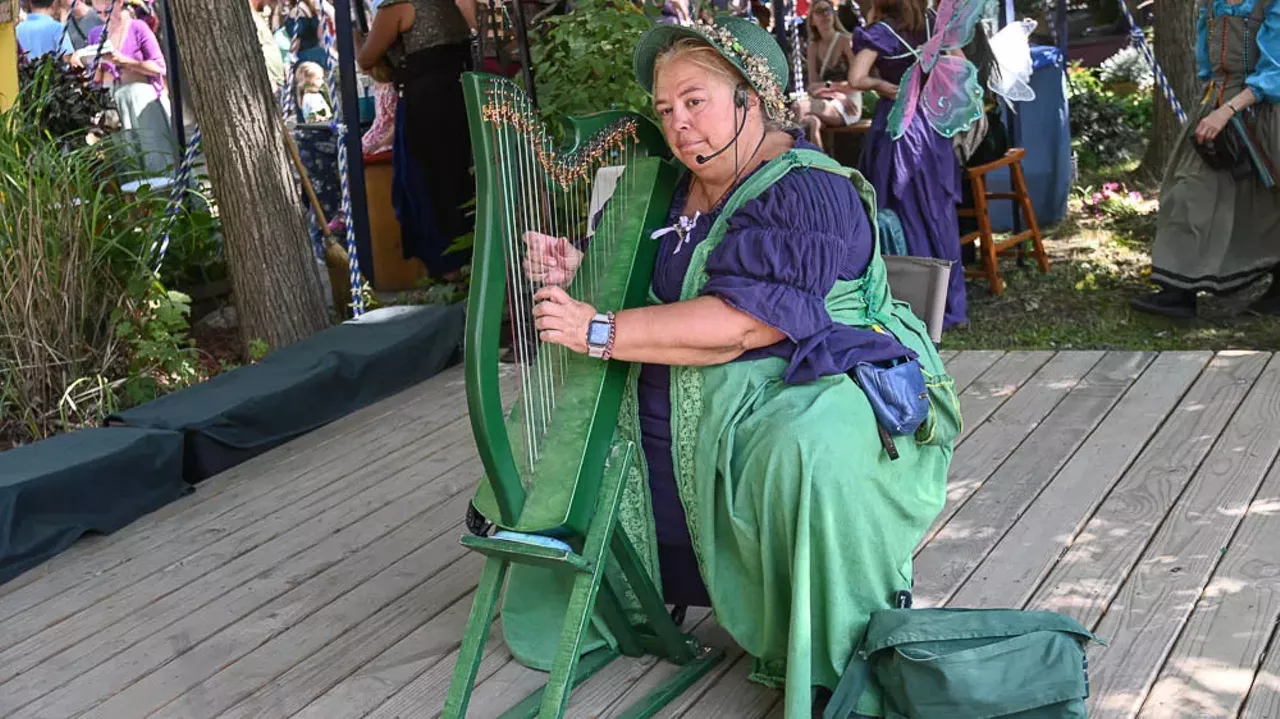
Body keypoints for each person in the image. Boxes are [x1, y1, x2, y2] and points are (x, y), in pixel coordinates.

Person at [510, 16, 957, 718]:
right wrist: (579, 264)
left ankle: (831, 646)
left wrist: (599, 328)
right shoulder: (674, 188)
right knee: (587, 413)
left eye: (695, 101)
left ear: (752, 98)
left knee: (800, 449)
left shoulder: (806, 189)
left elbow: (742, 320)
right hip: (716, 379)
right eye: (666, 110)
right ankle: (638, 591)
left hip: (826, 371)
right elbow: (665, 284)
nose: (679, 124)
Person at [1131, 0, 1280, 318]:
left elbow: (1275, 71)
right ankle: (1178, 293)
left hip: (1266, 111)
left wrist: (1228, 109)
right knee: (1187, 190)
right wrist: (1214, 106)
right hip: (1218, 112)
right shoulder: (1211, 5)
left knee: (1271, 202)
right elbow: (1206, 64)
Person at [849, 0, 967, 330]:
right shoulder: (937, 28)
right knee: (937, 213)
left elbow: (856, 77)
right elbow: (962, 68)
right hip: (931, 129)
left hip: (897, 129)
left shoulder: (882, 33)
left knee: (899, 215)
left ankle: (912, 306)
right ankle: (951, 306)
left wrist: (879, 84)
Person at [355, 0, 477, 281]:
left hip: (428, 105)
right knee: (458, 180)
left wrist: (358, 38)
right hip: (461, 96)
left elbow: (366, 58)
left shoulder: (398, 5)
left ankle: (449, 268)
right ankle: (462, 261)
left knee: (430, 184)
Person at [88, 0, 174, 176]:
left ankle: (174, 200)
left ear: (119, 3)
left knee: (157, 157)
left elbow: (160, 67)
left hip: (141, 99)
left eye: (108, 11)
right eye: (99, 14)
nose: (104, 17)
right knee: (127, 163)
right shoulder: (95, 34)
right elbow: (94, 79)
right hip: (113, 105)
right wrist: (93, 66)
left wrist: (124, 61)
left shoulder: (137, 27)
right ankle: (139, 203)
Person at [792, 0, 862, 150]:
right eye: (819, 11)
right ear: (812, 20)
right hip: (830, 100)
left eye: (828, 10)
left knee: (799, 107)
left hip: (850, 104)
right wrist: (837, 95)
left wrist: (827, 87)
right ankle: (822, 164)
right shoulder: (813, 47)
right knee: (811, 122)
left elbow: (858, 83)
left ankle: (799, 161)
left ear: (834, 15)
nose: (825, 14)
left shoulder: (845, 41)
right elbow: (812, 87)